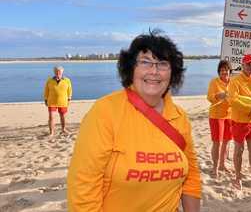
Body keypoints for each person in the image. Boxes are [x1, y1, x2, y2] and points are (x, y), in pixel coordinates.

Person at [67, 30, 201, 212]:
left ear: (172, 73)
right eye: (145, 62)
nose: (154, 71)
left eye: (162, 64)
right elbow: (84, 186)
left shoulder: (179, 117)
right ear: (131, 68)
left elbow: (191, 176)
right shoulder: (105, 111)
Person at [228, 54, 251, 190]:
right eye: (248, 64)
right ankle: (237, 178)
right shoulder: (235, 81)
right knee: (239, 150)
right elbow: (233, 101)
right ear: (242, 65)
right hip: (239, 121)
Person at [207, 60, 232, 178]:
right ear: (219, 72)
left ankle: (222, 164)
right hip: (216, 116)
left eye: (226, 70)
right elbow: (209, 97)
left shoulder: (233, 83)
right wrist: (218, 96)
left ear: (229, 71)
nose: (224, 72)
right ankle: (215, 167)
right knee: (217, 142)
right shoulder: (214, 82)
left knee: (227, 142)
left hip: (230, 116)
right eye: (222, 70)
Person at [44, 66, 72, 137]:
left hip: (63, 101)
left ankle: (63, 129)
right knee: (51, 117)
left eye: (59, 72)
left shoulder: (67, 80)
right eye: (56, 71)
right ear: (54, 72)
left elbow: (70, 91)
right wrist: (45, 99)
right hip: (51, 101)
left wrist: (69, 99)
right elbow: (46, 90)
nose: (58, 73)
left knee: (63, 116)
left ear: (62, 72)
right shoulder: (49, 80)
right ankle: (51, 132)